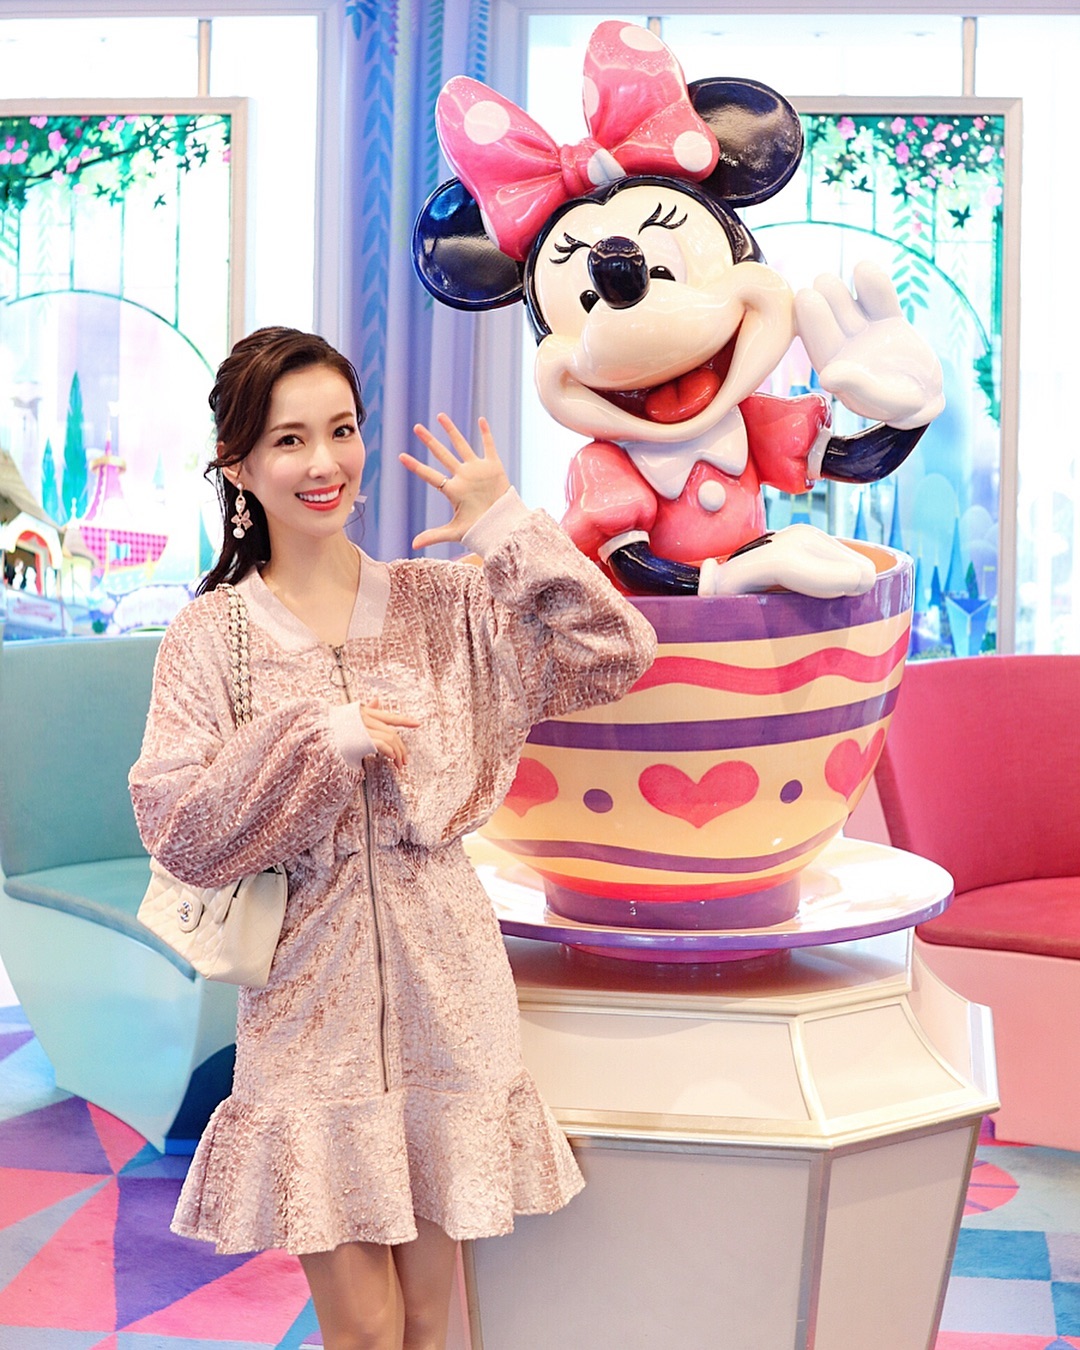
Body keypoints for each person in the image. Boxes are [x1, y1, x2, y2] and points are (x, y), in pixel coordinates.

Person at [129, 327, 656, 1350]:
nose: (323, 462)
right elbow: (181, 830)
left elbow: (614, 654)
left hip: (447, 984)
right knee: (366, 1331)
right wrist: (320, 742)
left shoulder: (441, 605)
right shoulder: (209, 637)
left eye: (342, 430)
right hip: (306, 1007)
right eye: (289, 440)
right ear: (238, 465)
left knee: (426, 1319)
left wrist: (505, 526)